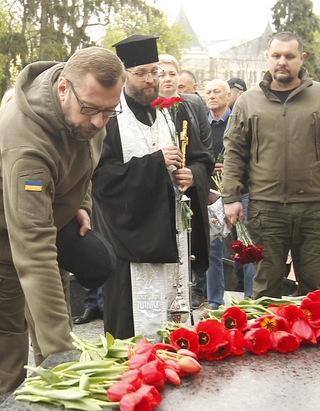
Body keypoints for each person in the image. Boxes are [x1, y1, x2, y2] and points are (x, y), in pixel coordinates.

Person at [0, 46, 121, 396]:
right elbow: (33, 251)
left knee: (51, 320)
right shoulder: (25, 147)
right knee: (10, 365)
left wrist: (81, 203)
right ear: (63, 88)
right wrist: (65, 356)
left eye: (109, 112)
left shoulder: (89, 108)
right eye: (91, 110)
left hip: (48, 228)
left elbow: (85, 166)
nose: (98, 122)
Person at [92, 35, 213, 339]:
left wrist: (191, 175)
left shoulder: (171, 112)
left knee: (176, 322)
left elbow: (200, 159)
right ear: (124, 75)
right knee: (134, 330)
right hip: (129, 239)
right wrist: (155, 164)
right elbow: (102, 178)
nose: (150, 80)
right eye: (142, 73)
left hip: (173, 235)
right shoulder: (110, 117)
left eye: (155, 71)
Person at [222, 32, 320, 298]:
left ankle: (317, 340)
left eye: (289, 56)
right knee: (264, 289)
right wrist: (231, 196)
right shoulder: (248, 102)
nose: (282, 62)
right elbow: (234, 151)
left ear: (301, 58)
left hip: (314, 209)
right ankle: (268, 339)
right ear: (267, 58)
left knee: (316, 290)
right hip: (266, 210)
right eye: (276, 56)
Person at [158, 54, 212, 308]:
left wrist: (193, 173)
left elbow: (204, 158)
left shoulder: (188, 107)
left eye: (171, 73)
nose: (167, 79)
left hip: (182, 205)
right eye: (161, 73)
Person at [200, 78, 253, 308]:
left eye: (217, 92)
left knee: (248, 246)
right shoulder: (201, 123)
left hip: (242, 192)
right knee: (213, 247)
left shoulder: (238, 121)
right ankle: (214, 301)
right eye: (208, 92)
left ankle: (251, 299)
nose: (211, 96)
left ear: (228, 95)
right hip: (212, 195)